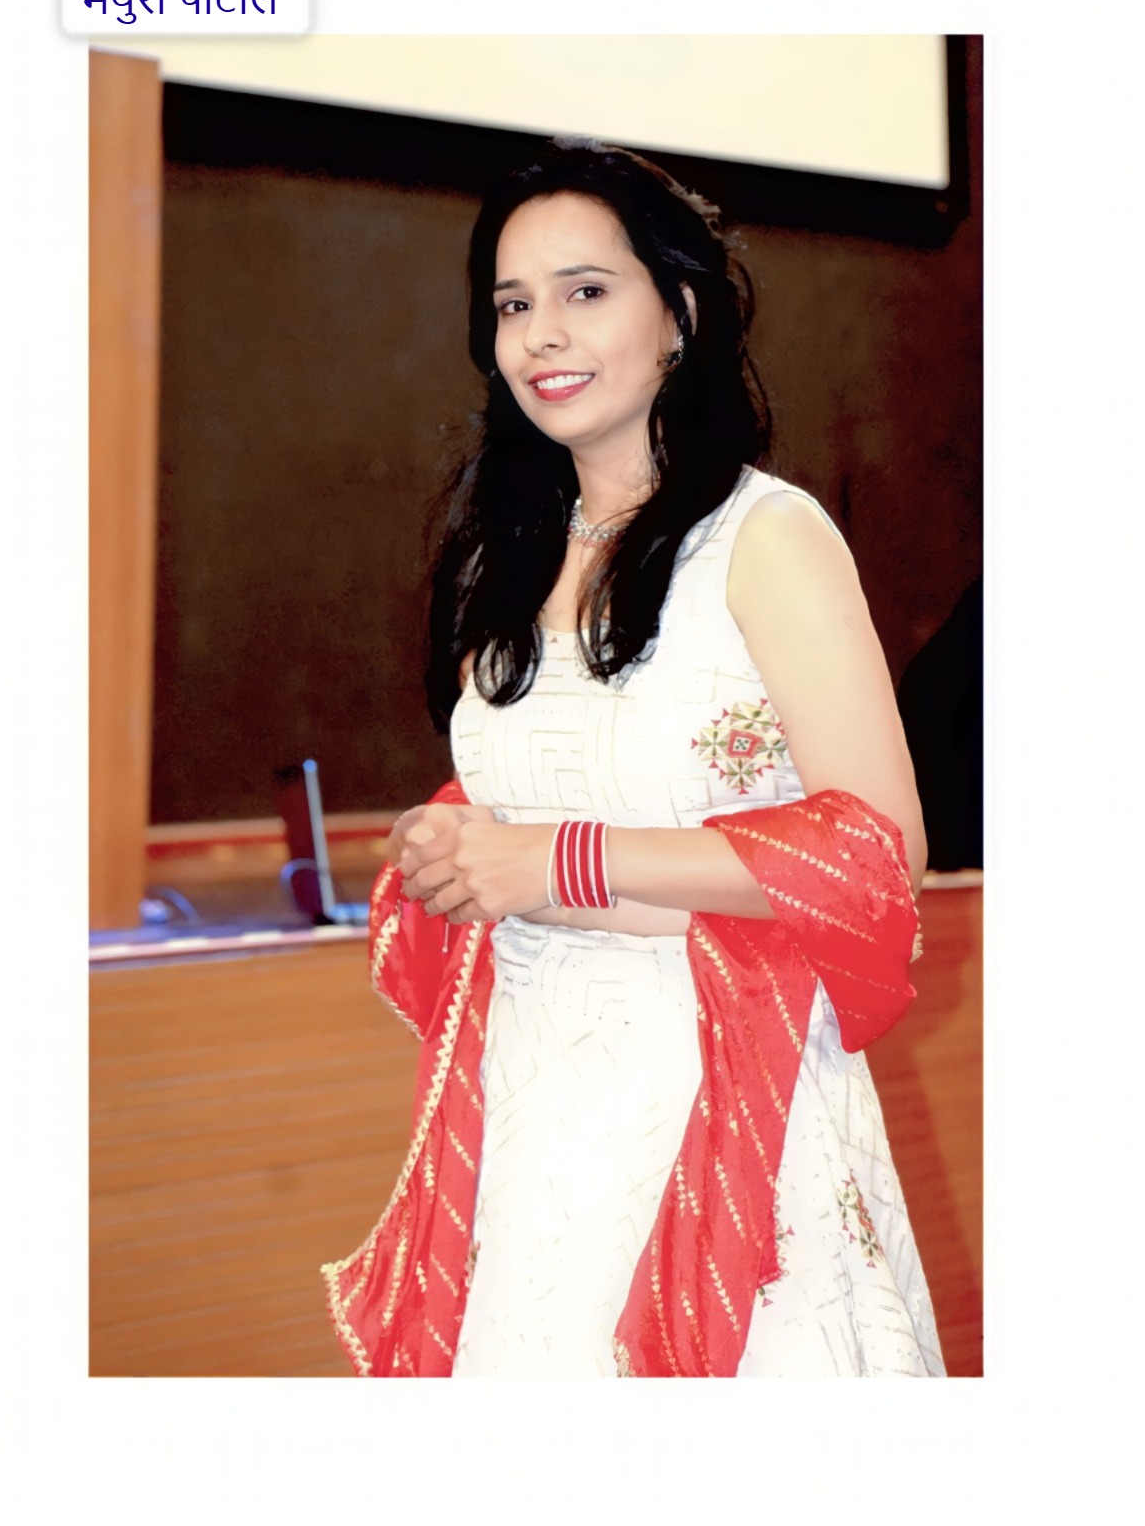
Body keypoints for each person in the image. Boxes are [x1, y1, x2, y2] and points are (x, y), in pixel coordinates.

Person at [322, 141, 945, 1377]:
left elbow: (876, 858)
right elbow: (546, 790)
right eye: (512, 304)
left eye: (585, 290)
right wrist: (453, 837)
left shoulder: (765, 537)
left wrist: (554, 862)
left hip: (720, 1091)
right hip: (531, 1107)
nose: (541, 333)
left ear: (682, 314)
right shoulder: (507, 551)